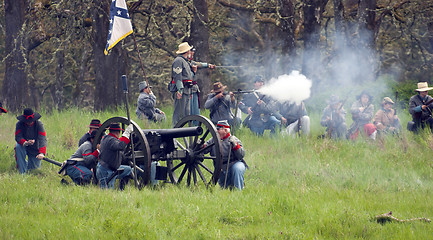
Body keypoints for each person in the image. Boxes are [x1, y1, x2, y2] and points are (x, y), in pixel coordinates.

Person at [170, 42, 215, 127]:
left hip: (187, 90)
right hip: (181, 91)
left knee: (186, 114)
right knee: (179, 113)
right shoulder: (178, 61)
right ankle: (174, 131)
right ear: (187, 51)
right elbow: (177, 77)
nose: (191, 52)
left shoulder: (186, 61)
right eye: (190, 50)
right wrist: (179, 90)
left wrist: (208, 65)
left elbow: (197, 64)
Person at [203, 120, 247, 190]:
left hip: (234, 163)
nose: (216, 131)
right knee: (225, 188)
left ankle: (239, 191)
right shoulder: (213, 140)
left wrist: (235, 145)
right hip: (221, 167)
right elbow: (204, 150)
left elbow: (241, 155)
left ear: (225, 130)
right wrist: (199, 145)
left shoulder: (234, 139)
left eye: (218, 129)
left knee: (237, 169)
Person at [96, 123, 133, 190]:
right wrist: (127, 134)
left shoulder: (106, 138)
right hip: (106, 170)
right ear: (118, 132)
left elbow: (118, 142)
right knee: (107, 193)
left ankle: (121, 189)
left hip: (108, 168)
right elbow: (120, 146)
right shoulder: (111, 140)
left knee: (128, 170)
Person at [14, 108, 47, 174]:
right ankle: (22, 173)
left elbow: (42, 139)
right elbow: (18, 137)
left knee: (33, 170)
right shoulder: (19, 124)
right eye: (28, 121)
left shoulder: (39, 124)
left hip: (35, 148)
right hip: (23, 146)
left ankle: (26, 166)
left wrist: (41, 153)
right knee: (18, 147)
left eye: (31, 120)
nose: (30, 122)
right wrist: (25, 142)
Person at [188, 47, 215, 118]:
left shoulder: (190, 62)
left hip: (193, 89)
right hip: (187, 90)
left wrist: (208, 65)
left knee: (196, 111)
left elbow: (199, 64)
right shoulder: (184, 62)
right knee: (189, 112)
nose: (193, 52)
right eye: (191, 51)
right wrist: (194, 71)